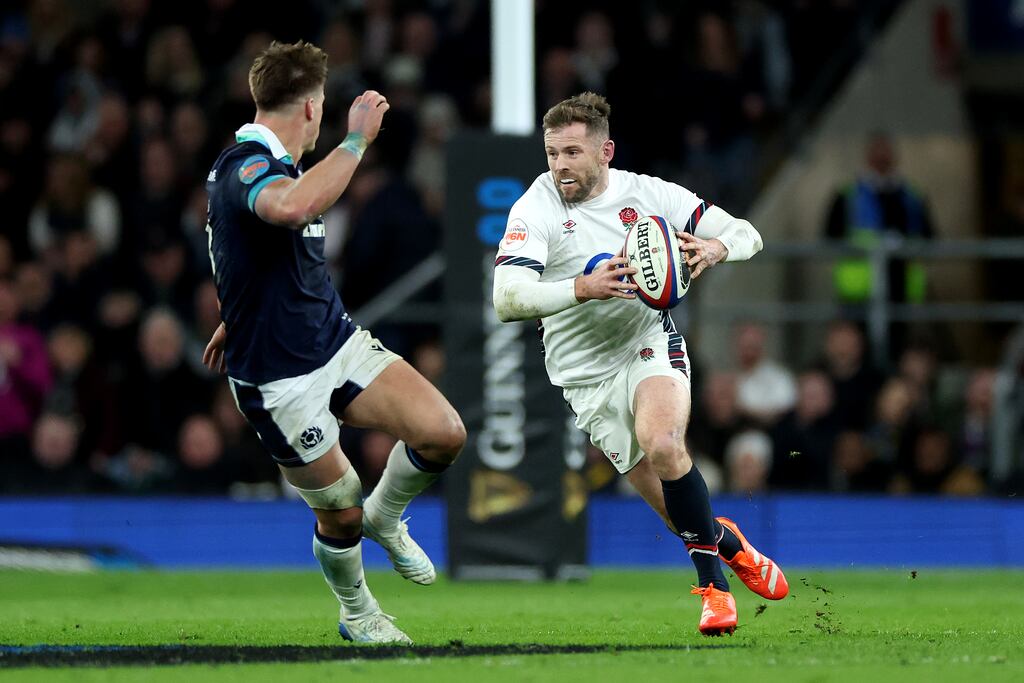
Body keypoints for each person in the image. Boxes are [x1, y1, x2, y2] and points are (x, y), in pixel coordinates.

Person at [492, 92, 787, 636]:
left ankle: (714, 592)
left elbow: (747, 232)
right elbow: (506, 298)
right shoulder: (536, 207)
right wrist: (582, 287)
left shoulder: (650, 195)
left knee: (665, 444)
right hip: (585, 377)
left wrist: (716, 249)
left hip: (646, 342)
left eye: (573, 153)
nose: (560, 166)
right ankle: (728, 543)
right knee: (678, 515)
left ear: (605, 151)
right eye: (552, 153)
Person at [201, 41, 465, 645]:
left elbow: (243, 248)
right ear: (312, 107)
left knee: (443, 432)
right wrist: (357, 141)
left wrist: (236, 311)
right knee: (341, 508)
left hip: (335, 343)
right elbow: (291, 209)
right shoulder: (246, 165)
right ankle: (358, 612)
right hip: (277, 379)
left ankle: (387, 517)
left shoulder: (280, 166)